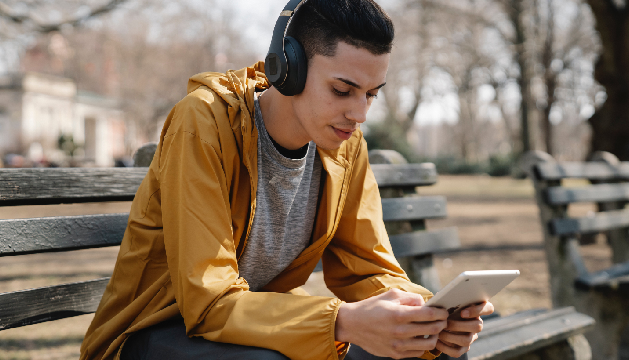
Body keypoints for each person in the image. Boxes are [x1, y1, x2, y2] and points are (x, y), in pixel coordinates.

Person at [80, 1, 493, 359]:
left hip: (256, 328)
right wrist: (342, 322)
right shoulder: (203, 123)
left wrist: (426, 315)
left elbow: (367, 269)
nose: (360, 113)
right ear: (288, 67)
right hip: (157, 331)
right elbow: (207, 301)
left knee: (428, 354)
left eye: (371, 93)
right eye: (342, 89)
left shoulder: (347, 148)